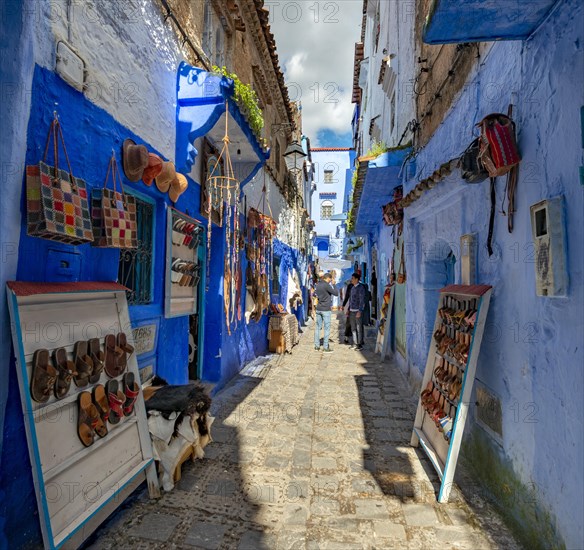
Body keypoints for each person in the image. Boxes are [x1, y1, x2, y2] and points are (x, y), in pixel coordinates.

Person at [314, 272, 338, 352]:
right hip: (326, 309)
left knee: (317, 328)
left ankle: (317, 346)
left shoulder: (318, 285)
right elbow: (336, 293)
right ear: (327, 278)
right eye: (330, 280)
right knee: (327, 328)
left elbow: (315, 295)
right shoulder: (327, 285)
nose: (330, 281)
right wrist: (334, 285)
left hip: (319, 308)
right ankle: (325, 347)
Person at [348, 272, 366, 351]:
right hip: (352, 310)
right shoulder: (352, 288)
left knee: (359, 328)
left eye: (352, 278)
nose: (351, 280)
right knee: (353, 327)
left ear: (356, 279)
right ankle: (355, 343)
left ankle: (360, 344)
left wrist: (360, 311)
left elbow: (362, 300)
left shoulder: (360, 288)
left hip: (357, 311)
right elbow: (351, 300)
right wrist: (349, 309)